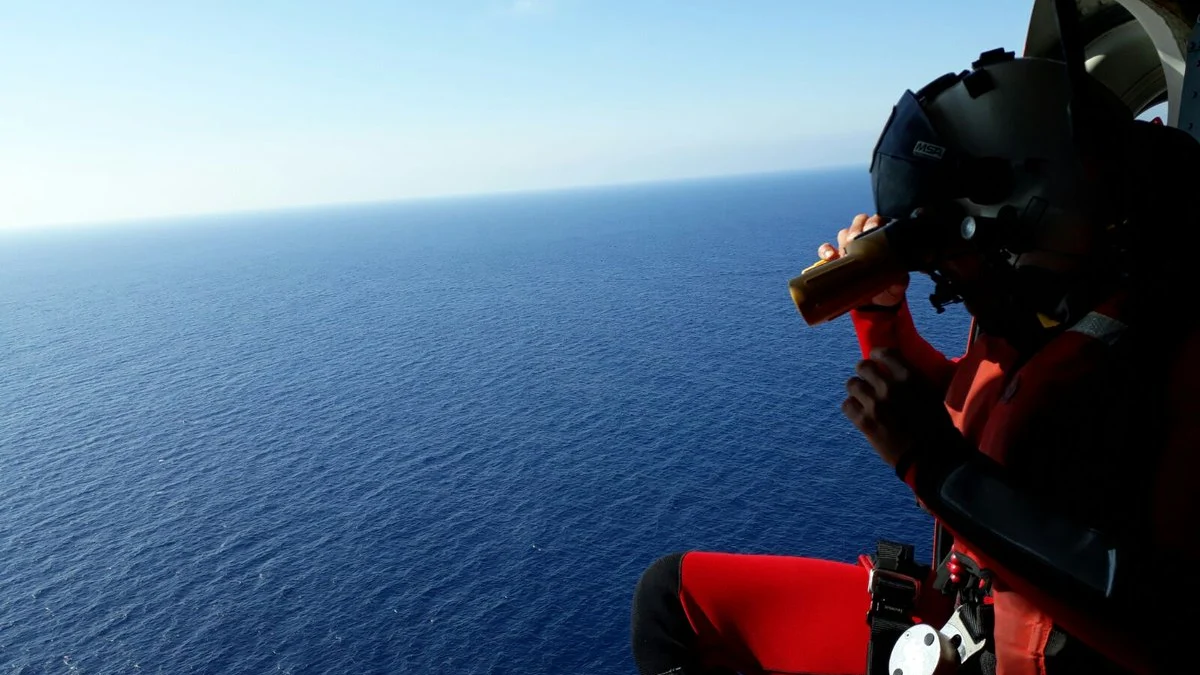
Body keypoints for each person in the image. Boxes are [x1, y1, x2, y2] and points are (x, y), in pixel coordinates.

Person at [629, 49, 1200, 675]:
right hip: (975, 617)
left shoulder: (1172, 351)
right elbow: (976, 407)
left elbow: (1167, 624)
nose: (952, 280)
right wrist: (881, 315)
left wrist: (934, 466)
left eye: (952, 251)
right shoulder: (1072, 315)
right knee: (673, 596)